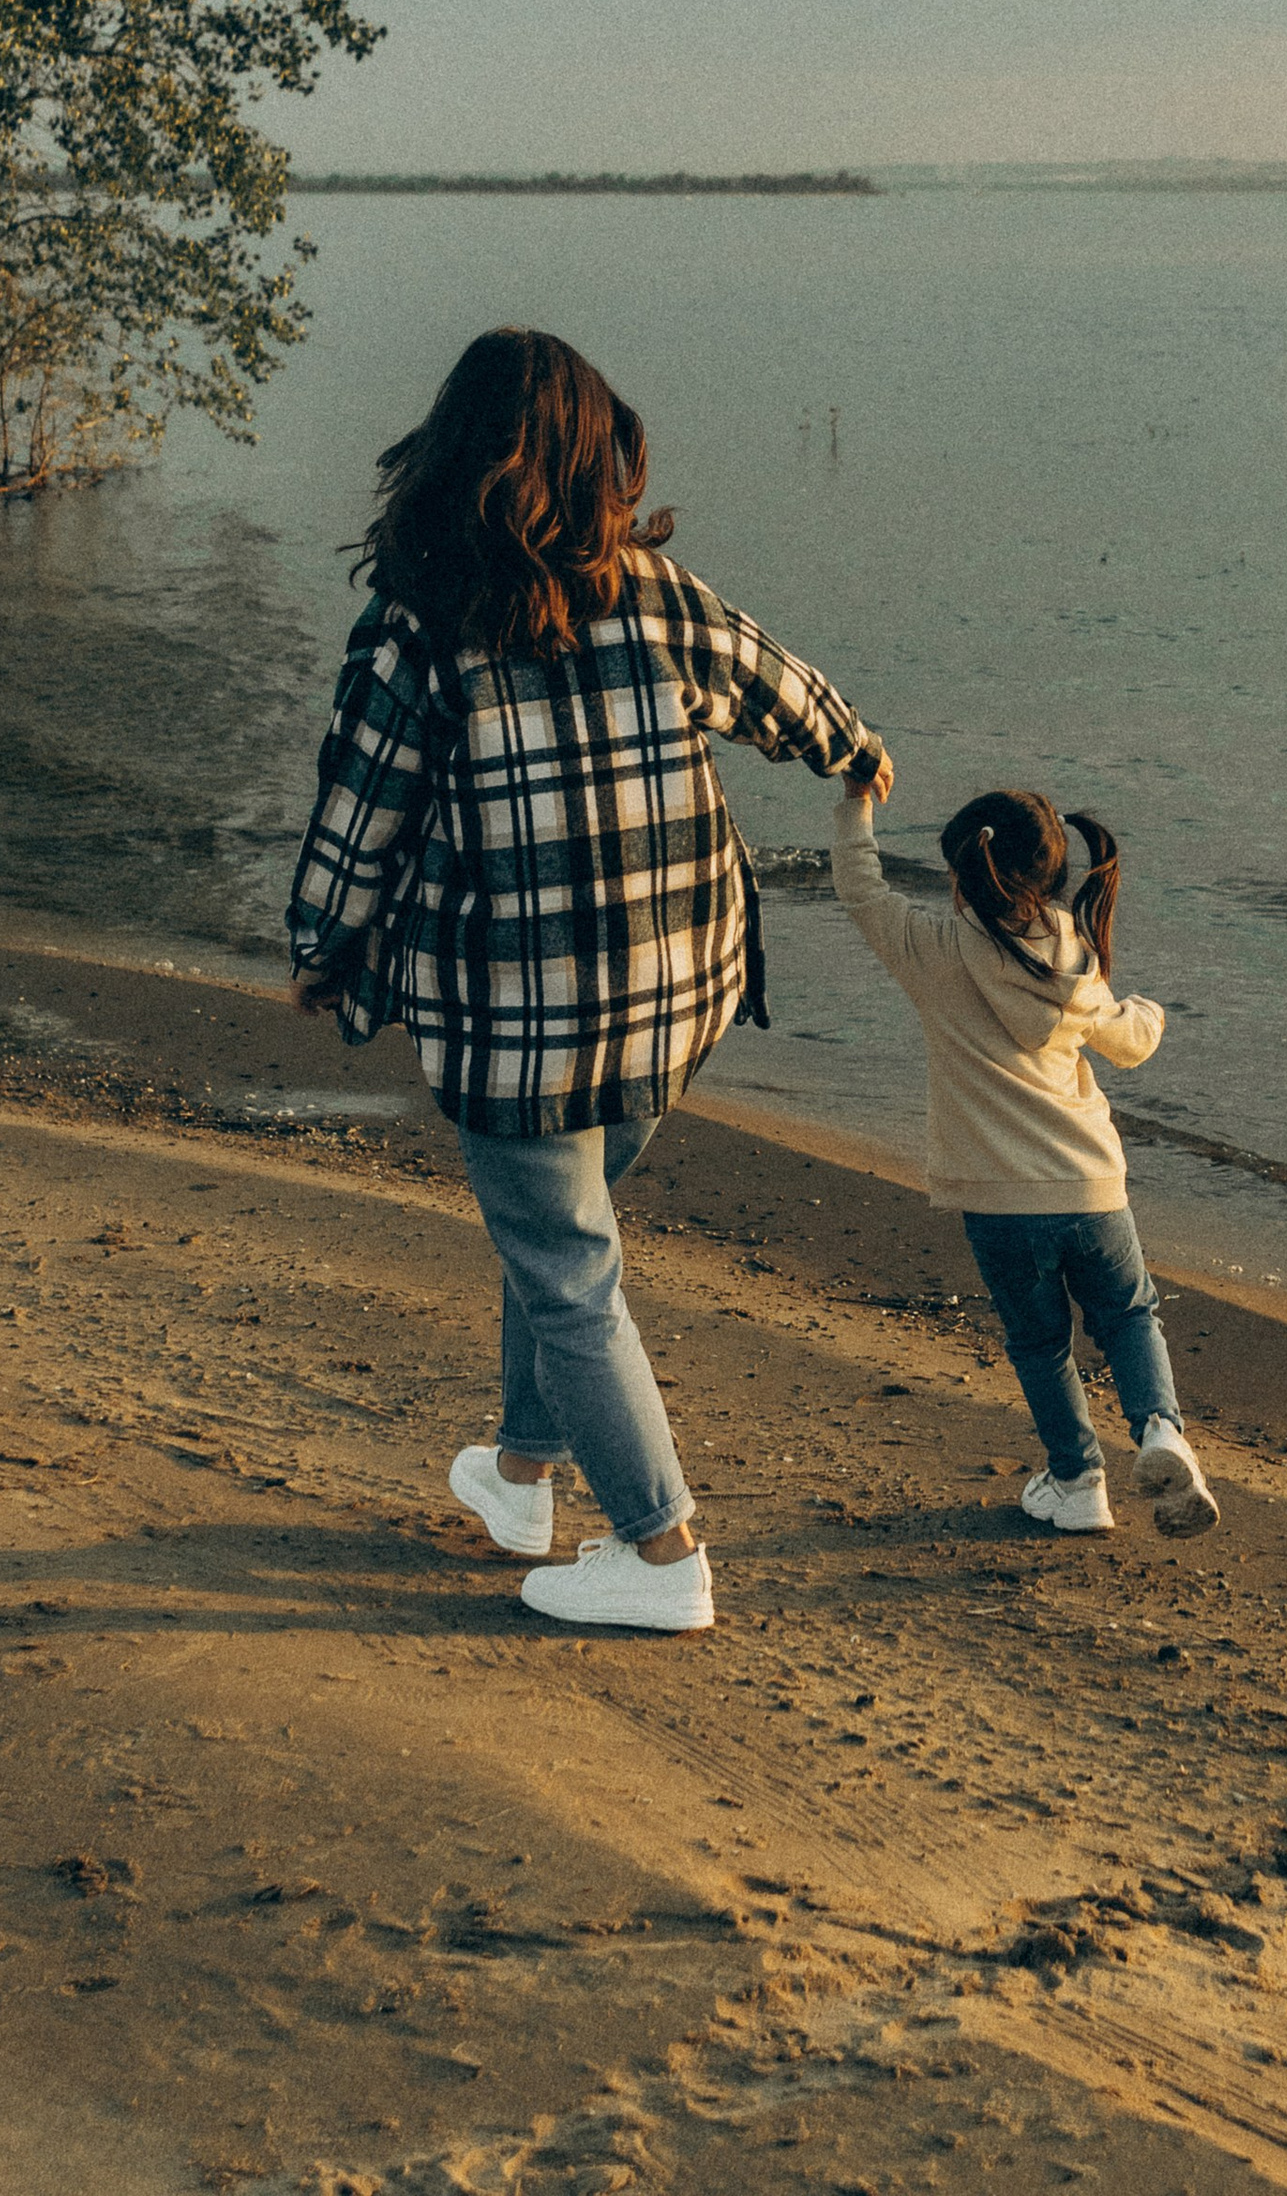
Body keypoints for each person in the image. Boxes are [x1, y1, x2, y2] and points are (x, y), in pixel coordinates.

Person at [284, 325, 889, 1635]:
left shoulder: (418, 628)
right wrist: (855, 753)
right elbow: (786, 690)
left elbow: (360, 820)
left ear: (451, 457)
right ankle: (518, 1475)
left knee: (564, 1266)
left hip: (519, 1023)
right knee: (560, 1241)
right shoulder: (655, 593)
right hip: (673, 999)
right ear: (593, 451)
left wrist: (323, 952)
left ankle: (663, 1553)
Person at [828, 776, 1217, 1537]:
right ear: (1050, 877)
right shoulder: (1073, 954)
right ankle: (1161, 1431)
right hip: (1091, 1188)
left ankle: (1077, 1483)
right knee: (1131, 1317)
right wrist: (1147, 1012)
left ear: (964, 877)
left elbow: (858, 886)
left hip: (998, 1201)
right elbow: (1129, 1045)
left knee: (1041, 1347)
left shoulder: (933, 949)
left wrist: (856, 797)